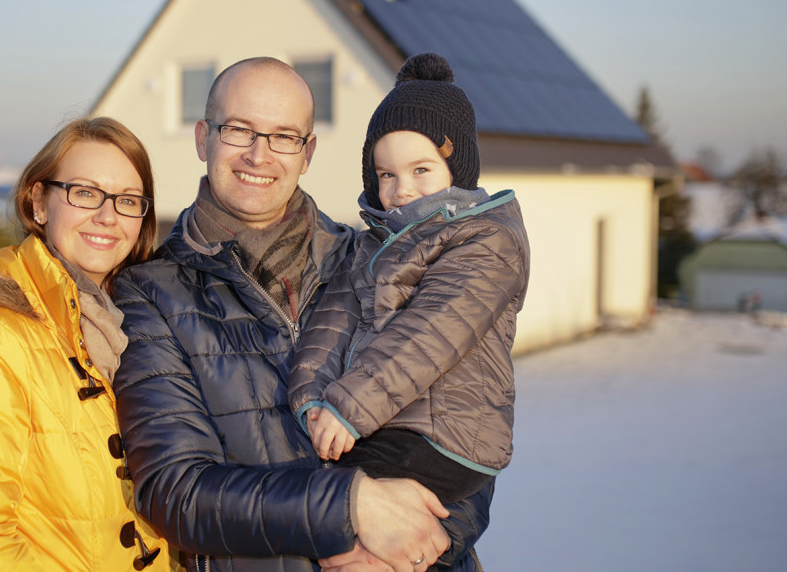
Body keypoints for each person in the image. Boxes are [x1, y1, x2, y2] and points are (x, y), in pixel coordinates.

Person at [112, 57, 492, 572]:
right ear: (204, 138)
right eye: (238, 129)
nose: (258, 154)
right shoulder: (150, 294)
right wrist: (350, 503)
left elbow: (466, 422)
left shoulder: (376, 260)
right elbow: (177, 493)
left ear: (307, 152)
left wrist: (429, 540)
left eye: (283, 136)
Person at [0, 117, 171, 572]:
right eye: (85, 193)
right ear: (39, 201)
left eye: (127, 200)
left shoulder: (140, 325)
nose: (108, 216)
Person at [288, 52, 530, 508]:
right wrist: (312, 400)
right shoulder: (371, 244)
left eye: (421, 170)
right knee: (311, 504)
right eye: (386, 174)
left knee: (327, 507)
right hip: (375, 421)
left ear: (456, 168)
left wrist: (347, 406)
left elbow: (431, 332)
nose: (401, 189)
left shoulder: (487, 241)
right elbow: (331, 324)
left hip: (445, 437)